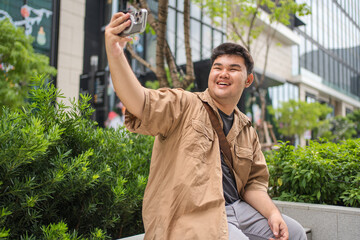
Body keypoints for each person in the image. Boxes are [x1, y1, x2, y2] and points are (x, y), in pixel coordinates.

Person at [105, 12, 307, 240]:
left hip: (237, 209)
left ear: (248, 80)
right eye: (217, 67)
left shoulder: (247, 128)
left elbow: (254, 184)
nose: (223, 74)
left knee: (296, 233)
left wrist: (272, 214)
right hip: (193, 215)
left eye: (233, 69)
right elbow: (139, 102)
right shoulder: (185, 104)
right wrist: (115, 51)